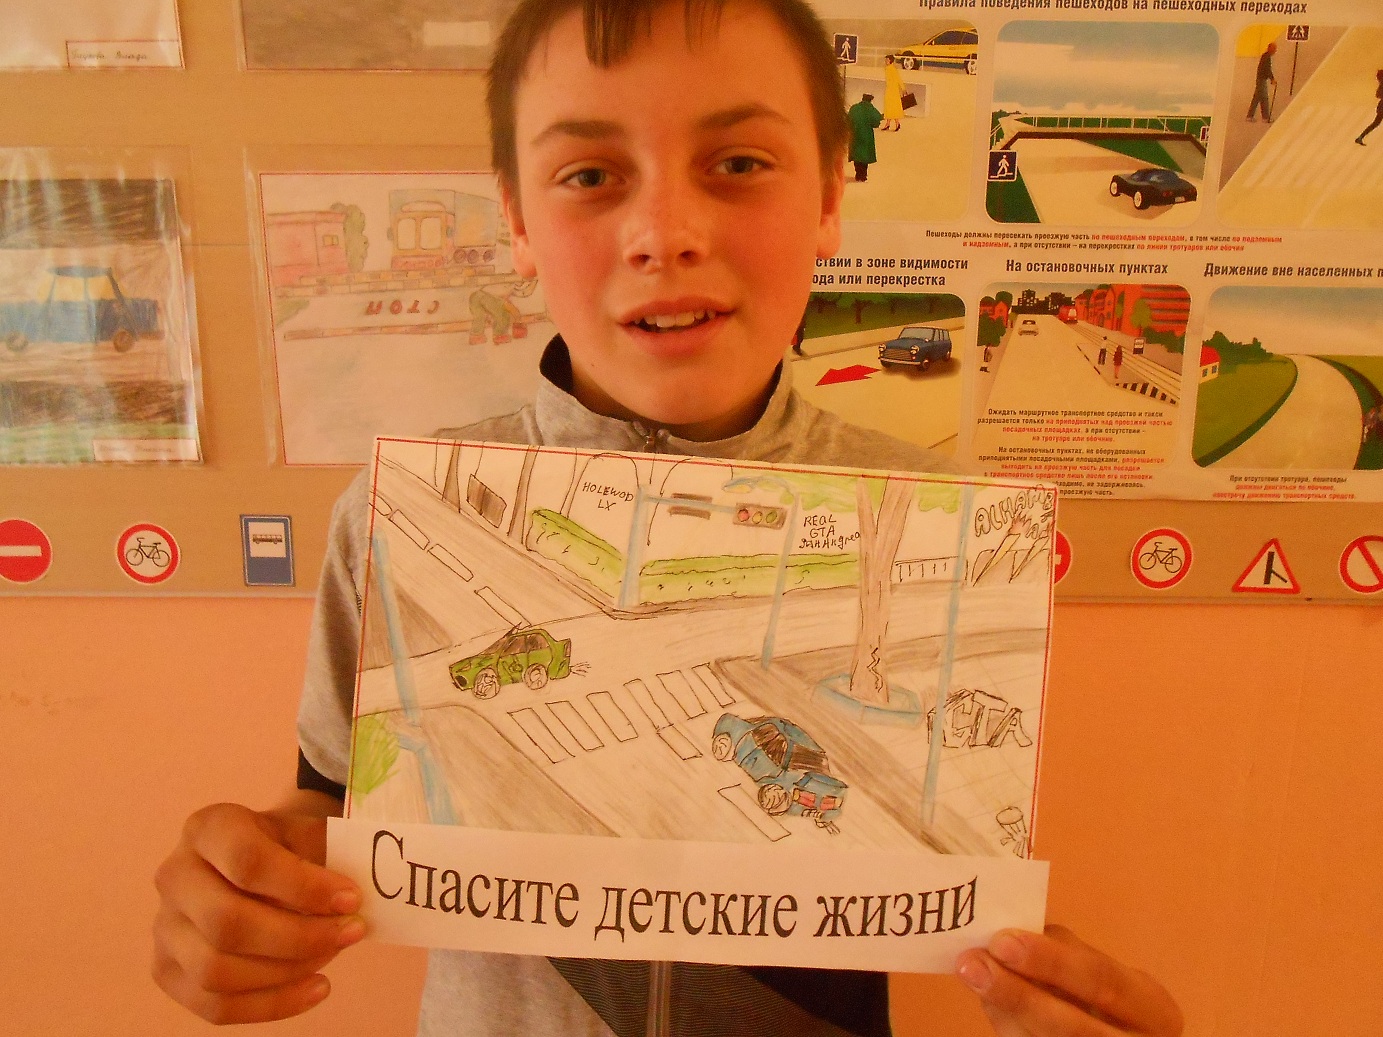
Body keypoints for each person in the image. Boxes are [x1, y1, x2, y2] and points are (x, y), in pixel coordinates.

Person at [151, 3, 1185, 1036]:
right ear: (517, 221)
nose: (664, 235)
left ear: (830, 197)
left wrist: (1044, 994)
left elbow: (953, 874)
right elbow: (326, 802)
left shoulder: (944, 525)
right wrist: (243, 888)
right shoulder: (390, 511)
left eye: (737, 163)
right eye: (589, 174)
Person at [847, 92, 882, 182]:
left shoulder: (854, 108)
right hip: (866, 136)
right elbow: (876, 122)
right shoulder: (871, 109)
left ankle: (858, 174)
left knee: (857, 156)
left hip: (855, 135)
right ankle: (863, 175)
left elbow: (848, 120)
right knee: (864, 158)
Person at [1247, 41, 1276, 122]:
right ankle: (1265, 118)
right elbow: (1267, 69)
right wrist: (1272, 79)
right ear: (1270, 48)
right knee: (1264, 98)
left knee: (1257, 98)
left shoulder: (1266, 56)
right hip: (1261, 80)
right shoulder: (1266, 57)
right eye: (1274, 49)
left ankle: (1250, 116)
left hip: (1261, 79)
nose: (1275, 51)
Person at [1355, 69, 1383, 145]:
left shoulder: (1381, 85)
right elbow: (1378, 95)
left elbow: (1378, 95)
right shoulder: (1382, 85)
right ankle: (1360, 137)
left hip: (1381, 107)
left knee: (1375, 123)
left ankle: (1360, 137)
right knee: (1375, 123)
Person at [880, 54, 904, 132]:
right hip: (889, 90)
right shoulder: (888, 69)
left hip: (893, 91)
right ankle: (888, 123)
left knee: (893, 106)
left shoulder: (893, 69)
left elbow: (898, 79)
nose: (886, 61)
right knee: (889, 106)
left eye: (887, 60)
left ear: (891, 61)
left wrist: (903, 88)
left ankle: (896, 123)